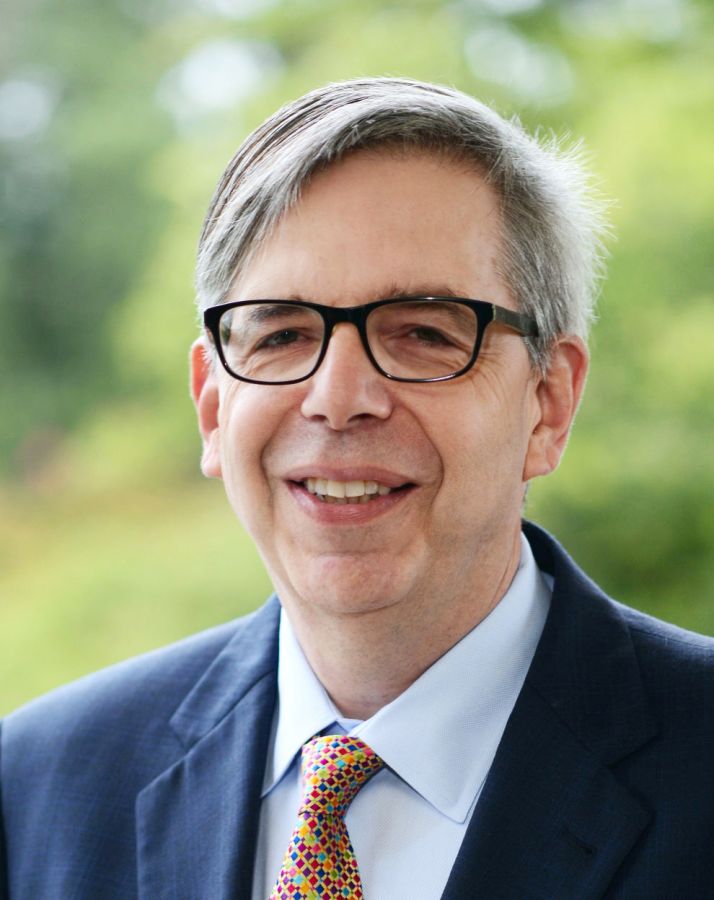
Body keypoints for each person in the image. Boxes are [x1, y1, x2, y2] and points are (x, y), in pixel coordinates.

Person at [1, 78, 712, 900]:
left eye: (423, 332)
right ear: (212, 405)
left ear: (548, 402)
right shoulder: (37, 787)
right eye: (282, 333)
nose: (339, 398)